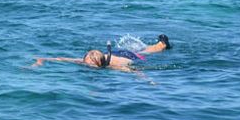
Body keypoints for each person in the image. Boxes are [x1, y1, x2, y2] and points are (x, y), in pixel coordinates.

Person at [32, 34, 172, 72]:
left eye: (91, 67)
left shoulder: (117, 66)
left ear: (100, 64)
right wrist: (42, 60)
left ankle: (162, 43)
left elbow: (136, 72)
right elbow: (62, 58)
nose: (87, 66)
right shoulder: (87, 59)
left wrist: (150, 82)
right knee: (142, 48)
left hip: (128, 56)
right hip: (113, 53)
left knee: (147, 52)